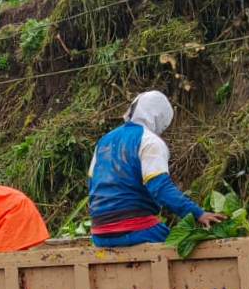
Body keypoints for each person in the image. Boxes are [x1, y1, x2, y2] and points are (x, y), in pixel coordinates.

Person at [89, 90, 223, 248]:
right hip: (136, 230)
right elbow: (160, 188)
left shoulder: (104, 141)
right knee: (184, 246)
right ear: (160, 118)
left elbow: (92, 185)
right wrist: (198, 214)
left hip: (99, 234)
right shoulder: (150, 141)